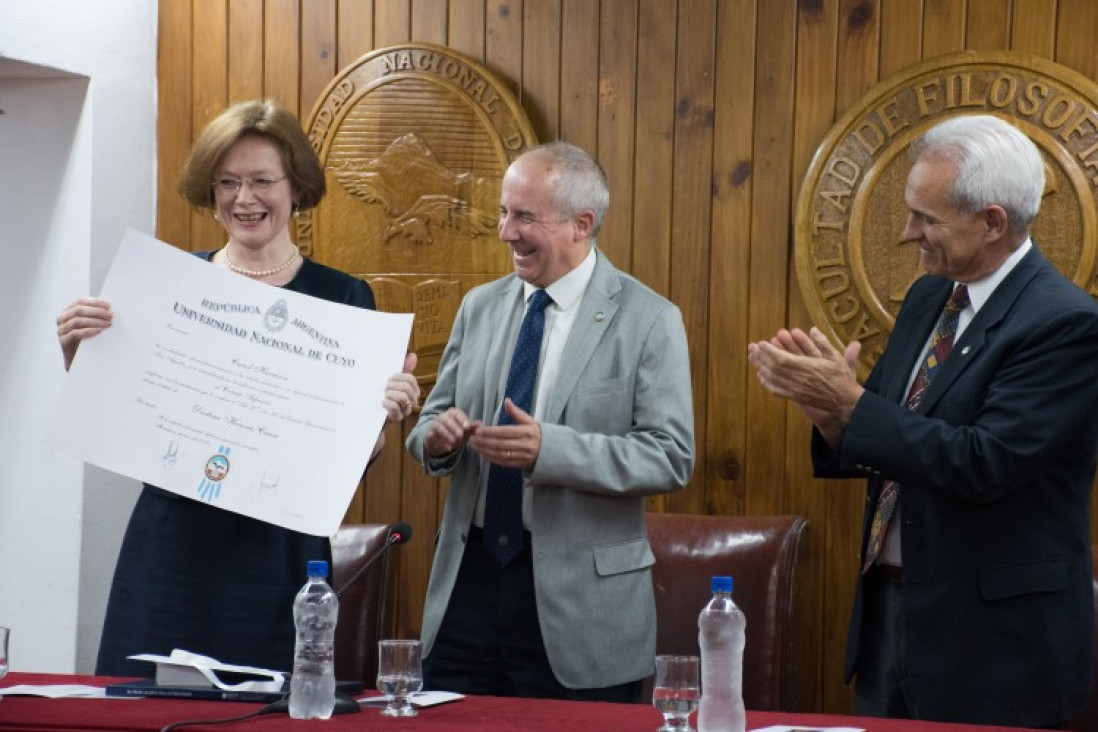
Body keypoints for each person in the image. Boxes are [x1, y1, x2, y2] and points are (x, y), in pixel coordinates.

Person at [748, 114, 1098, 727]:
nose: (909, 234)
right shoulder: (928, 298)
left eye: (926, 218)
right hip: (890, 616)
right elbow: (887, 435)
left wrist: (851, 405)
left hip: (997, 645)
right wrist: (830, 413)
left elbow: (982, 462)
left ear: (993, 221)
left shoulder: (1065, 324)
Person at [55, 99, 421, 676]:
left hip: (279, 555)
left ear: (297, 187)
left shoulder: (346, 299)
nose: (244, 199)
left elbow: (347, 459)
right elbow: (121, 416)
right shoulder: (166, 288)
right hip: (172, 545)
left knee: (271, 710)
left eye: (261, 181)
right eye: (227, 183)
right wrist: (82, 357)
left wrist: (379, 422)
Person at [405, 141, 695, 702]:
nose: (505, 232)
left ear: (580, 224)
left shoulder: (649, 319)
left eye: (524, 217)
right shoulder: (480, 306)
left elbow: (670, 454)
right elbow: (432, 420)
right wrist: (436, 440)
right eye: (503, 212)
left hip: (583, 608)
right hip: (468, 586)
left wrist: (550, 451)